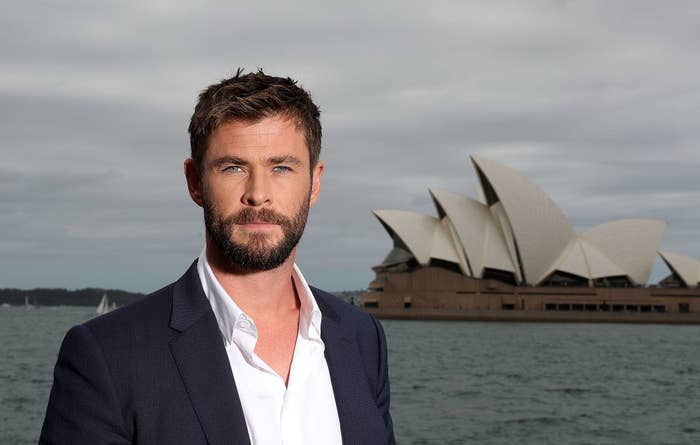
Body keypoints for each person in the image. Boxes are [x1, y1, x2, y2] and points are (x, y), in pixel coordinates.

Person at [39, 69, 395, 445]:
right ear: (195, 182)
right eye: (234, 167)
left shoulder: (362, 338)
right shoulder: (107, 356)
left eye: (281, 168)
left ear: (315, 183)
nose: (258, 194)